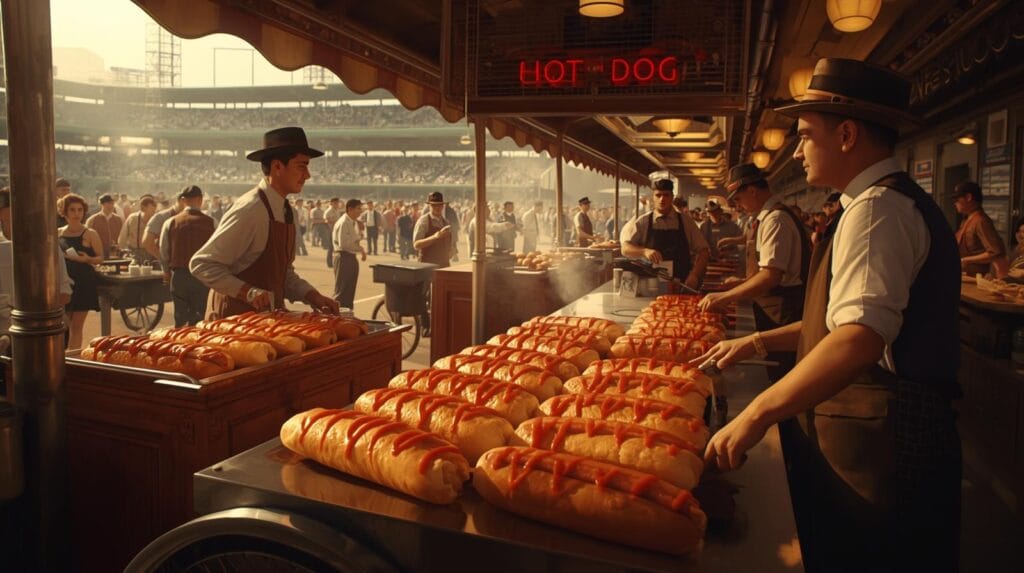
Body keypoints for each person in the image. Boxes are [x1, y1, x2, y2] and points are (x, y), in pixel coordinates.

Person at [695, 58, 961, 573]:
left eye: (804, 135)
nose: (797, 151)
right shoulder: (873, 205)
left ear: (846, 135)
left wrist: (757, 413)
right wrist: (754, 343)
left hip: (886, 439)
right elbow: (842, 324)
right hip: (878, 428)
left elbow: (859, 339)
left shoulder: (877, 209)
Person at [190, 127, 339, 319]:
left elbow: (283, 275)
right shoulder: (251, 209)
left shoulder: (288, 211)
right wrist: (248, 292)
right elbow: (202, 264)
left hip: (267, 319)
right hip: (234, 321)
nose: (307, 175)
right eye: (301, 166)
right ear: (277, 167)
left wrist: (313, 296)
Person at [698, 163, 811, 354]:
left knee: (780, 361)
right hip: (772, 304)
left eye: (738, 198)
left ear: (752, 191)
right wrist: (742, 282)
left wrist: (726, 296)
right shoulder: (767, 217)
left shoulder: (776, 219)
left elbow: (771, 276)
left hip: (781, 308)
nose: (737, 205)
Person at [0, 186, 72, 339]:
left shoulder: (47, 246)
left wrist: (39, 314)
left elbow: (64, 293)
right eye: (6, 221)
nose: (12, 226)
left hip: (44, 331)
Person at [621, 178, 710, 291]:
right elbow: (625, 249)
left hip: (682, 284)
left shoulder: (686, 221)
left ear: (672, 197)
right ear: (653, 197)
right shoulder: (643, 222)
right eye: (658, 195)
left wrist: (695, 275)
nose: (662, 199)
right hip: (651, 285)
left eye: (666, 195)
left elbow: (704, 251)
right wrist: (644, 251)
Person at [159, 186, 216, 327]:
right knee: (200, 320)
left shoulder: (170, 222)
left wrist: (166, 271)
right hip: (202, 277)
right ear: (200, 199)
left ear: (183, 200)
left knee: (180, 320)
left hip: (179, 276)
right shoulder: (211, 222)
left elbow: (164, 251)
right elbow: (218, 250)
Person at [58, 194, 103, 351]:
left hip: (84, 281)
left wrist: (87, 259)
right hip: (64, 281)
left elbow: (100, 258)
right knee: (64, 324)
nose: (77, 213)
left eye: (80, 210)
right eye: (72, 210)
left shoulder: (90, 233)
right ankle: (64, 357)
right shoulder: (58, 233)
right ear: (64, 212)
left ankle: (72, 359)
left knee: (76, 326)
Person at [414, 192, 453, 335]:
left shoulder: (446, 222)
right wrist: (435, 237)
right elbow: (416, 244)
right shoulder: (423, 221)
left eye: (440, 205)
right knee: (423, 295)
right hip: (427, 262)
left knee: (441, 295)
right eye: (434, 205)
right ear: (430, 206)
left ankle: (439, 325)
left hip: (443, 263)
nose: (437, 208)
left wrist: (452, 249)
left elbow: (449, 243)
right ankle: (425, 325)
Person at [953, 181, 1008, 277]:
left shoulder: (980, 221)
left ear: (968, 197)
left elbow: (995, 252)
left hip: (976, 278)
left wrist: (966, 260)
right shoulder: (968, 219)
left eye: (957, 199)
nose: (955, 203)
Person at [332, 198, 367, 309]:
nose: (360, 211)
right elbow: (344, 244)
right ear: (350, 209)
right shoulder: (344, 222)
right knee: (342, 291)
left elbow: (353, 239)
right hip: (343, 257)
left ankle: (347, 314)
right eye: (358, 208)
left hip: (350, 257)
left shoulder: (353, 222)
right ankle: (335, 314)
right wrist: (360, 248)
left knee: (349, 290)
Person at [143, 195, 185, 263]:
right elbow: (147, 242)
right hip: (169, 263)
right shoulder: (161, 217)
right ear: (181, 200)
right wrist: (163, 260)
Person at [118, 195, 157, 263]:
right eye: (152, 210)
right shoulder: (132, 218)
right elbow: (122, 237)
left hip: (151, 254)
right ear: (143, 208)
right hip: (134, 254)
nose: (154, 212)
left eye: (154, 210)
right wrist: (122, 250)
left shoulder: (156, 220)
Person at [85, 193, 123, 258]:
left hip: (115, 254)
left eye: (112, 204)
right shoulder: (92, 220)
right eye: (108, 203)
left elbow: (122, 237)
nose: (111, 206)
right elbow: (87, 238)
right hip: (98, 254)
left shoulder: (118, 220)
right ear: (102, 204)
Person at [323, 197, 343, 267]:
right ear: (331, 203)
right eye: (335, 203)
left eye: (337, 203)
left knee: (336, 247)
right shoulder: (328, 211)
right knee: (331, 247)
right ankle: (329, 263)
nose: (337, 204)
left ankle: (334, 262)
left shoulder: (337, 210)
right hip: (330, 230)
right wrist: (336, 222)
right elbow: (326, 221)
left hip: (336, 230)